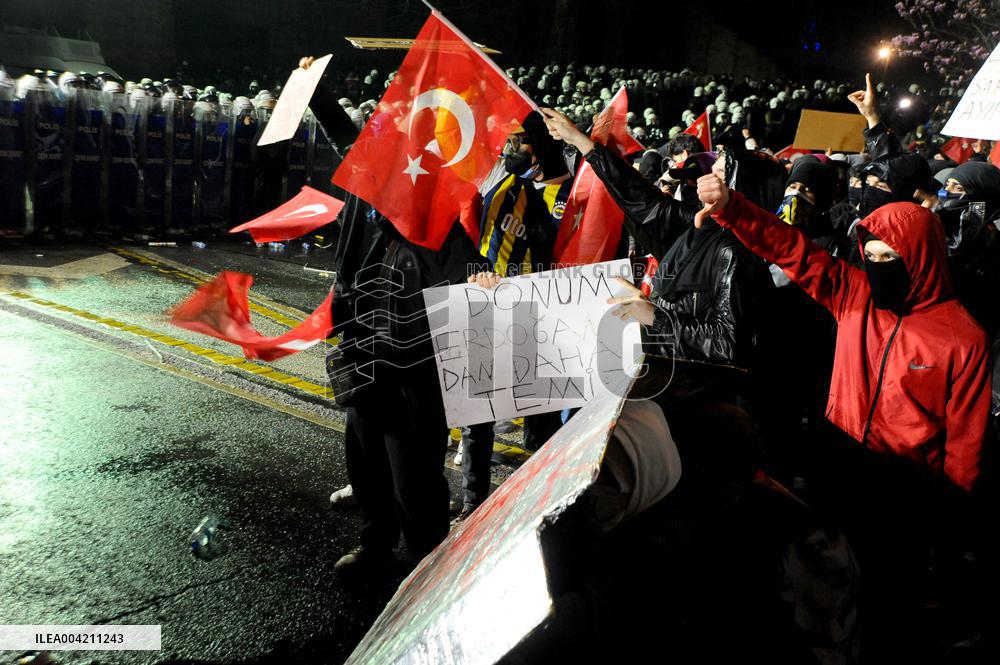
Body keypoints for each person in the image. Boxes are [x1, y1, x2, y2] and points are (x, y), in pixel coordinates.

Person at [694, 170, 992, 658]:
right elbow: (792, 250)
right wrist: (733, 207)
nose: (877, 268)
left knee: (889, 600)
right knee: (829, 583)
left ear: (921, 258)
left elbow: (966, 444)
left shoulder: (963, 337)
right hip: (839, 462)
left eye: (888, 258)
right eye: (869, 257)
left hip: (906, 490)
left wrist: (950, 523)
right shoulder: (854, 293)